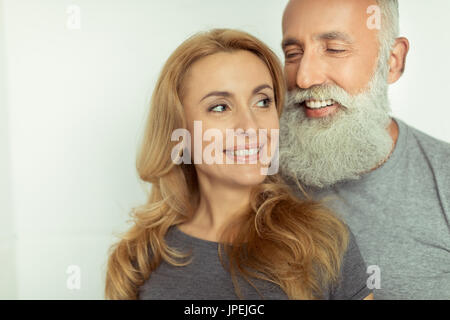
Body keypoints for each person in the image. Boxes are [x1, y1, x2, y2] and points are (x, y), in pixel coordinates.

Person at [104, 28, 373, 300]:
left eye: (262, 101)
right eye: (220, 107)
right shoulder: (136, 259)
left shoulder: (323, 242)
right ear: (179, 130)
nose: (251, 127)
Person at [279, 0, 450, 299]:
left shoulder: (444, 179)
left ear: (392, 61)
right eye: (293, 54)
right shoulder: (252, 175)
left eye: (334, 49)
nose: (304, 78)